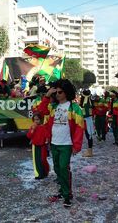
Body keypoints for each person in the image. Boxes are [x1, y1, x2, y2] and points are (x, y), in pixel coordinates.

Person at [36, 79, 84, 208]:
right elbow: (40, 111)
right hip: (54, 143)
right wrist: (47, 96)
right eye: (55, 92)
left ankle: (67, 195)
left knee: (63, 168)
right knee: (57, 168)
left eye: (60, 92)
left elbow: (80, 128)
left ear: (67, 92)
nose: (57, 94)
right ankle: (63, 191)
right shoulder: (53, 107)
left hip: (66, 144)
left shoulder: (74, 108)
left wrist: (76, 146)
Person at [26, 112, 50, 179]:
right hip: (35, 146)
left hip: (42, 145)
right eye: (35, 120)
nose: (36, 121)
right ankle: (39, 174)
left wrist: (47, 140)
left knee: (42, 159)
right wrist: (33, 129)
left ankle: (45, 171)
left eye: (38, 119)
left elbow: (47, 135)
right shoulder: (33, 127)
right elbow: (28, 136)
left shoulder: (43, 127)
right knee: (36, 160)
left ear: (41, 119)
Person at [80, 89, 95, 157]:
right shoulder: (90, 102)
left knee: (88, 136)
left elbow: (85, 114)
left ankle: (90, 152)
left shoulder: (85, 103)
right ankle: (90, 151)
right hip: (89, 120)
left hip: (86, 121)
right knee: (89, 136)